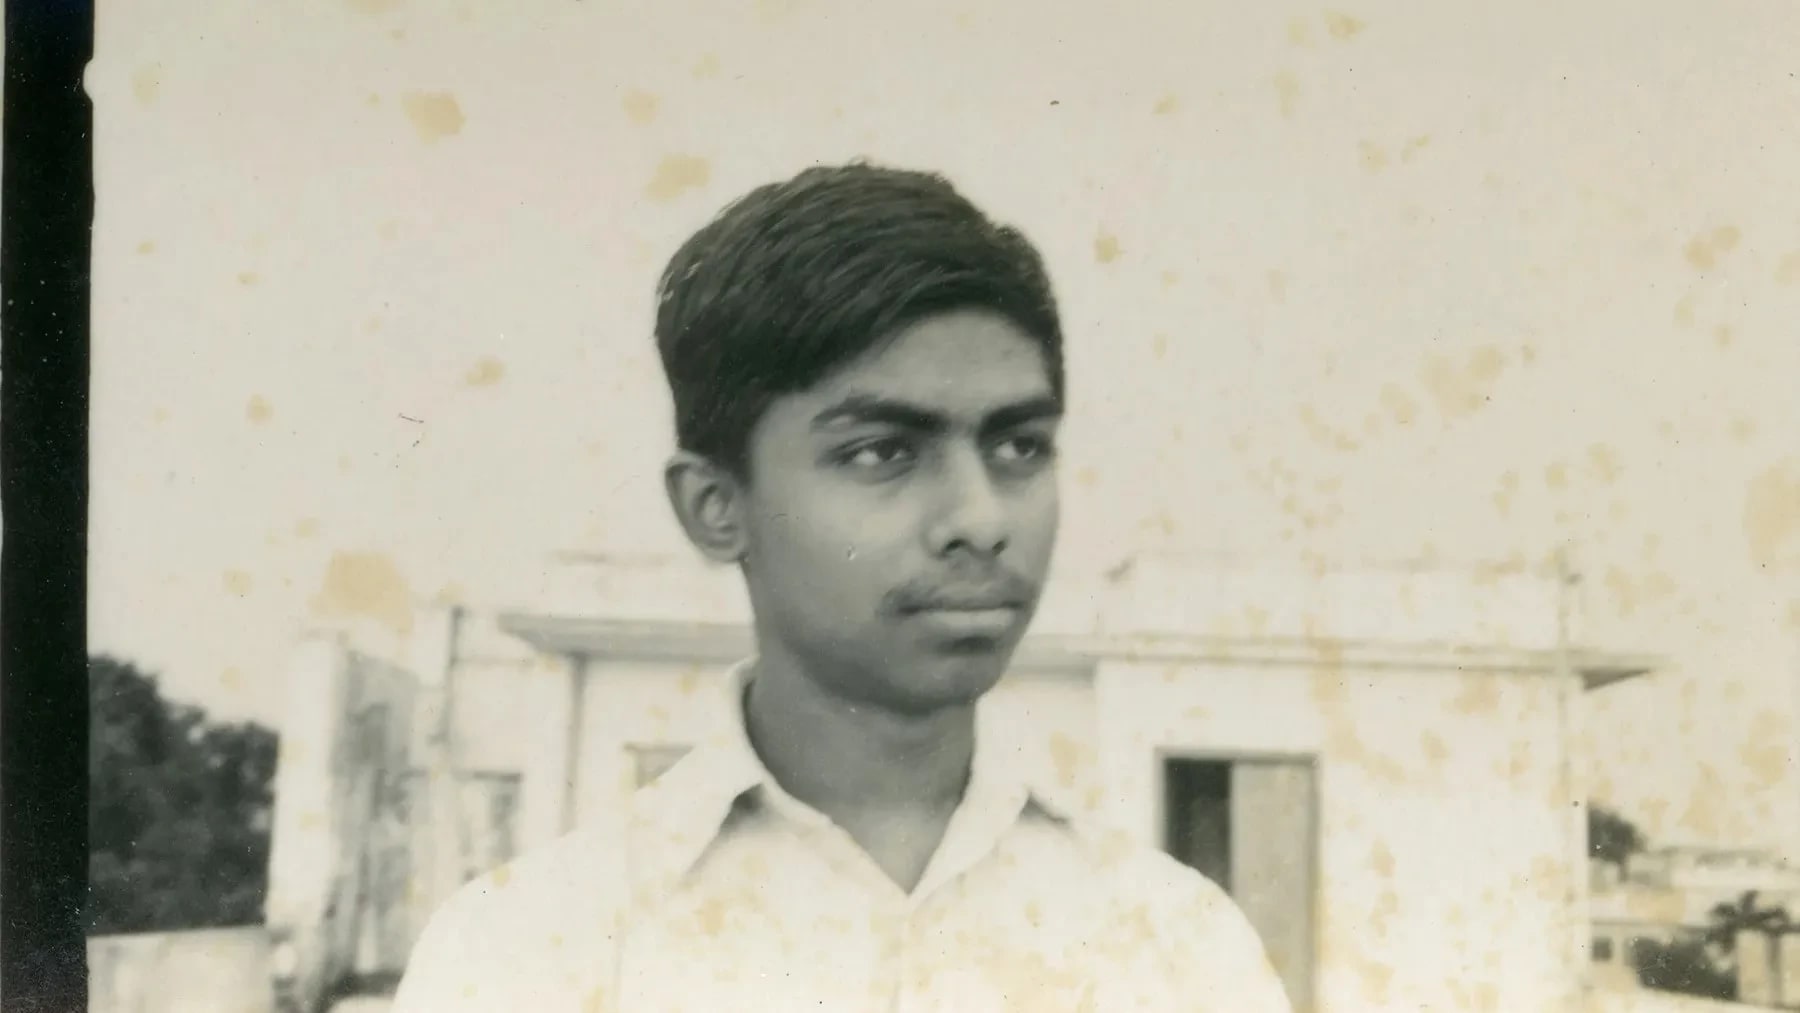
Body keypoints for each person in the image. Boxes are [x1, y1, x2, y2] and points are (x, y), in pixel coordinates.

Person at [390, 163, 1293, 1011]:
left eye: (1018, 445)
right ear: (715, 506)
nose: (981, 517)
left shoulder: (1178, 950)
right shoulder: (530, 954)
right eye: (882, 452)